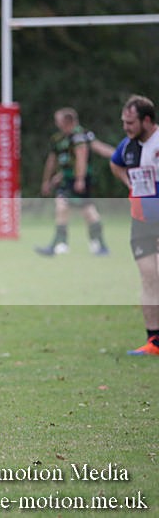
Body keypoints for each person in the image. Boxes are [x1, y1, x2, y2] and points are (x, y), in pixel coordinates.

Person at [109, 95, 159, 356]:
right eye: (124, 122)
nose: (126, 127)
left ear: (147, 120)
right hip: (141, 221)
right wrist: (129, 182)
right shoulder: (128, 146)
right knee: (149, 278)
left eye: (130, 122)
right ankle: (154, 342)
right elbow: (114, 164)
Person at [35, 108, 115, 257]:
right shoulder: (59, 139)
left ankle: (101, 246)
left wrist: (80, 179)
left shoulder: (79, 137)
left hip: (79, 180)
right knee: (62, 206)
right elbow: (55, 161)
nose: (56, 123)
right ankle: (58, 244)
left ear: (67, 121)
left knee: (88, 211)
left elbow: (82, 157)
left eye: (58, 120)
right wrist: (51, 179)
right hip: (67, 179)